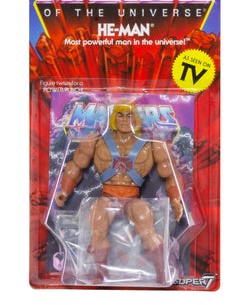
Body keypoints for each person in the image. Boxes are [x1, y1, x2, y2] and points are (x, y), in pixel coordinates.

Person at [55, 103, 183, 284]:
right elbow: (75, 165)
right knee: (97, 228)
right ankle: (101, 273)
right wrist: (65, 191)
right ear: (113, 118)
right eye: (120, 115)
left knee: (148, 230)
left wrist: (176, 199)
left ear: (136, 118)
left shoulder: (152, 143)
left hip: (133, 197)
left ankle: (162, 272)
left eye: (129, 115)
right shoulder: (96, 140)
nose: (124, 119)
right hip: (107, 196)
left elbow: (171, 173)